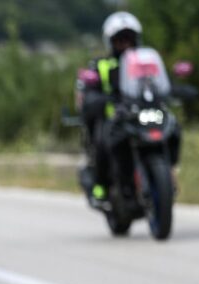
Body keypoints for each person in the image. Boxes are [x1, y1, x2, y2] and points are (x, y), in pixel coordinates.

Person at [77, 12, 142, 206]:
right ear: (111, 42)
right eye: (120, 40)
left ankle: (166, 173)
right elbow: (87, 92)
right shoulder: (100, 65)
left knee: (170, 127)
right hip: (111, 118)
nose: (125, 45)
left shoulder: (143, 62)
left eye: (129, 40)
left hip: (138, 116)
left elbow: (160, 83)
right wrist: (100, 99)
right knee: (102, 141)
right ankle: (100, 186)